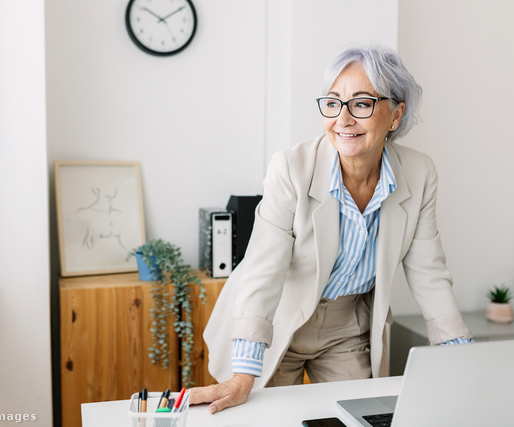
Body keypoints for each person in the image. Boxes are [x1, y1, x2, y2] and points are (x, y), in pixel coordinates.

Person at [190, 45, 473, 414]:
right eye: (333, 102)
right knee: (267, 419)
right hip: (276, 319)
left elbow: (429, 273)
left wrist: (463, 361)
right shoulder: (291, 168)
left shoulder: (419, 174)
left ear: (396, 115)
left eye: (361, 103)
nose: (343, 118)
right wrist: (245, 372)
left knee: (358, 419)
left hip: (348, 329)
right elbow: (263, 268)